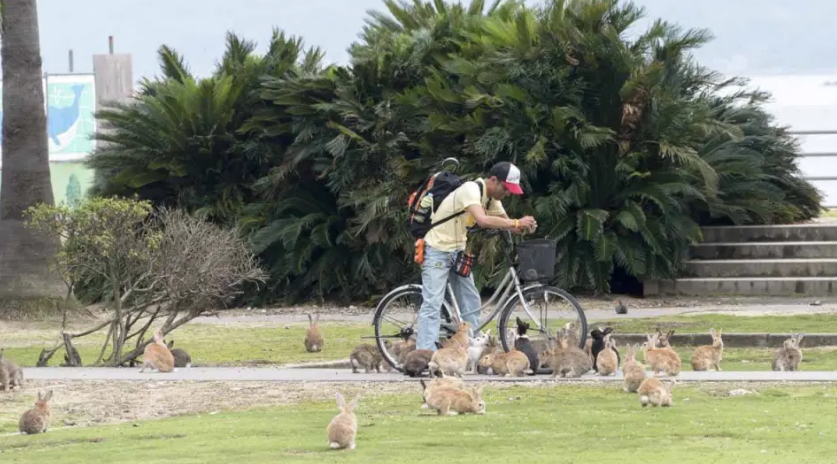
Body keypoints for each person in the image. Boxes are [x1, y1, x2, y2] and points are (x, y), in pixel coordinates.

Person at [416, 161, 537, 351]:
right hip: (437, 249)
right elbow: (483, 220)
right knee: (432, 304)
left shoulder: (491, 199)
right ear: (493, 180)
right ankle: (424, 354)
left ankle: (472, 345)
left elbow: (510, 226)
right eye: (506, 188)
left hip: (458, 251)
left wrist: (524, 226)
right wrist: (515, 222)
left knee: (470, 299)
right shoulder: (471, 190)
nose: (507, 194)